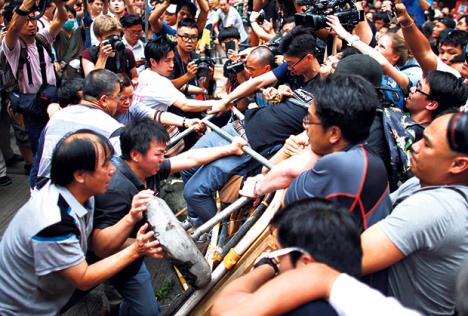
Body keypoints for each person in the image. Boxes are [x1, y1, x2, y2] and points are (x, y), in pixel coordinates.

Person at [248, 112, 468, 315]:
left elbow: (345, 259)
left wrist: (272, 264)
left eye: (427, 145)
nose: (415, 147)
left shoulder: (437, 208)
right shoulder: (418, 183)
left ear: (458, 165)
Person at [91, 118, 246, 314]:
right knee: (146, 310)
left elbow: (190, 159)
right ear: (135, 155)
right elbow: (100, 247)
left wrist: (229, 149)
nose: (163, 159)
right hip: (118, 263)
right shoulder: (115, 190)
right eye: (159, 154)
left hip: (136, 255)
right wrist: (144, 244)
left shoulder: (147, 169)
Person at [0, 130, 163, 314]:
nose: (113, 169)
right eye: (105, 164)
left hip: (54, 290)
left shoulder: (82, 193)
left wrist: (131, 217)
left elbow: (96, 243)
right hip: (24, 306)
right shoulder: (53, 223)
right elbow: (83, 278)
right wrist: (136, 250)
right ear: (80, 175)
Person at [241, 74, 391, 232]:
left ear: (334, 133)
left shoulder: (339, 166)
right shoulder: (365, 153)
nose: (305, 127)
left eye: (310, 119)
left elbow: (287, 195)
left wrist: (258, 187)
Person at [212, 198, 363, 316]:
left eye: (278, 252)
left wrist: (266, 266)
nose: (278, 259)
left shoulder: (305, 309)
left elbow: (223, 309)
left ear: (305, 262)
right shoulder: (356, 294)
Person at [32, 69, 123, 188]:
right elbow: (118, 176)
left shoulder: (57, 117)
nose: (119, 102)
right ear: (104, 100)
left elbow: (38, 162)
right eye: (117, 96)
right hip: (82, 197)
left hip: (44, 191)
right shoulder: (112, 128)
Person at [2, 0, 67, 154]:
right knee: (41, 149)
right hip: (33, 105)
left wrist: (59, 5)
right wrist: (24, 6)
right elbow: (14, 28)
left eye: (33, 19)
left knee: (59, 145)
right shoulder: (13, 46)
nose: (31, 24)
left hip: (52, 98)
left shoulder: (42, 38)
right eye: (26, 20)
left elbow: (60, 19)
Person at [215, 26, 321, 111]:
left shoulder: (324, 80)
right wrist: (226, 99)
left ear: (308, 58)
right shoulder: (288, 67)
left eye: (290, 63)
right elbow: (257, 82)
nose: (288, 67)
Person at [80, 15, 138, 84]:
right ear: (99, 37)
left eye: (117, 36)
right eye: (110, 37)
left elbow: (135, 77)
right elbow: (92, 83)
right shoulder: (88, 55)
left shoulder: (127, 52)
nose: (114, 40)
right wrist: (102, 57)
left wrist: (130, 83)